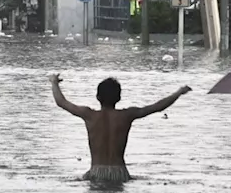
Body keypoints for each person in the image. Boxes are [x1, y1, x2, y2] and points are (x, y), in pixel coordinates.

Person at [51, 74, 192, 183]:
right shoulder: (127, 115)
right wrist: (178, 92)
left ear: (97, 97)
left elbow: (61, 102)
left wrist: (54, 83)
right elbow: (157, 107)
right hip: (120, 173)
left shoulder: (89, 115)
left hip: (96, 172)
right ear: (119, 98)